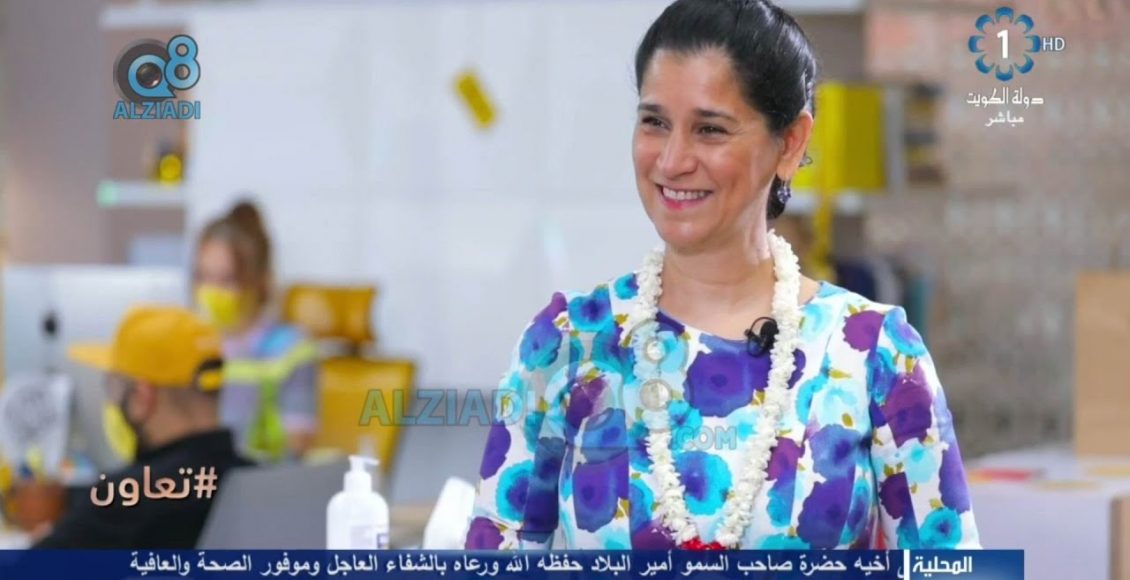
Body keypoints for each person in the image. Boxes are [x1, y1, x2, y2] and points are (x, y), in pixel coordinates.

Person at [466, 0, 979, 550]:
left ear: (790, 143)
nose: (672, 161)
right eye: (654, 123)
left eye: (710, 130)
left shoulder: (874, 354)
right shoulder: (567, 344)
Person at [34, 307, 251, 548]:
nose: (113, 403)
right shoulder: (262, 485)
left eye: (115, 387)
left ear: (142, 397)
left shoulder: (122, 500)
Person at [194, 200, 319, 462]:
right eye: (205, 277)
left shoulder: (291, 350)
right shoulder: (192, 345)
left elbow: (297, 446)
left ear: (258, 280)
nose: (212, 291)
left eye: (227, 279)